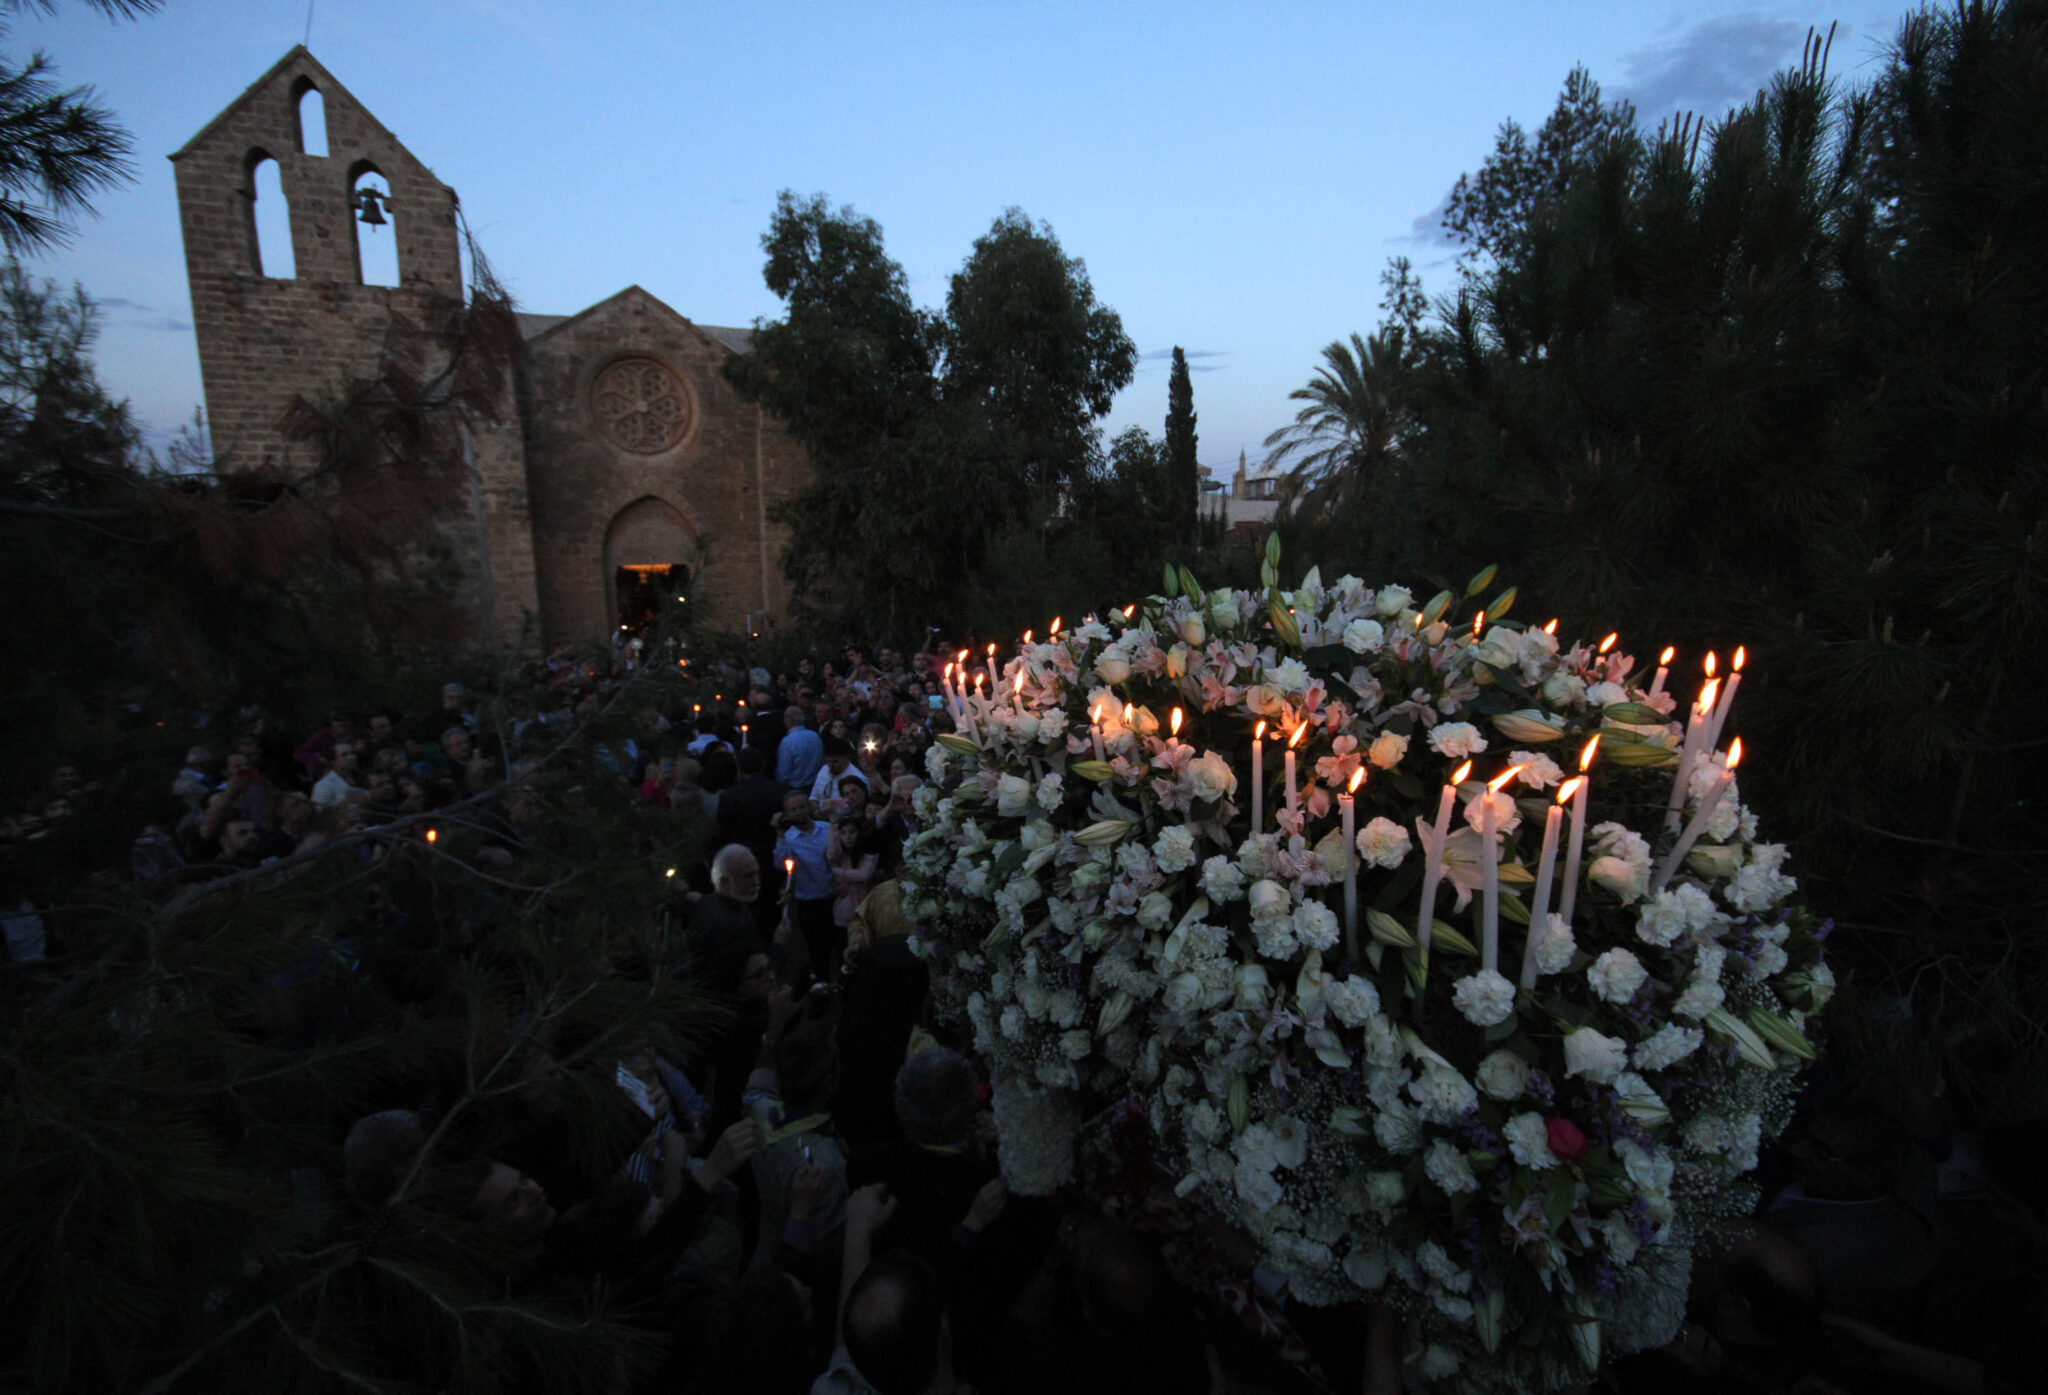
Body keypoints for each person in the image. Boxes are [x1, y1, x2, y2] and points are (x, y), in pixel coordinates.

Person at [774, 792, 837, 986]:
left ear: (809, 808)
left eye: (801, 807)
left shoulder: (826, 829)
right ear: (787, 815)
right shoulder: (790, 838)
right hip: (810, 901)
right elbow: (779, 862)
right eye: (793, 809)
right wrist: (779, 833)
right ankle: (822, 985)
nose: (799, 812)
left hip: (835, 895)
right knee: (817, 949)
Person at [778, 705, 825, 795]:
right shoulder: (815, 736)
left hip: (795, 788)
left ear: (789, 721)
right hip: (815, 786)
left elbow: (783, 771)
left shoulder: (787, 742)